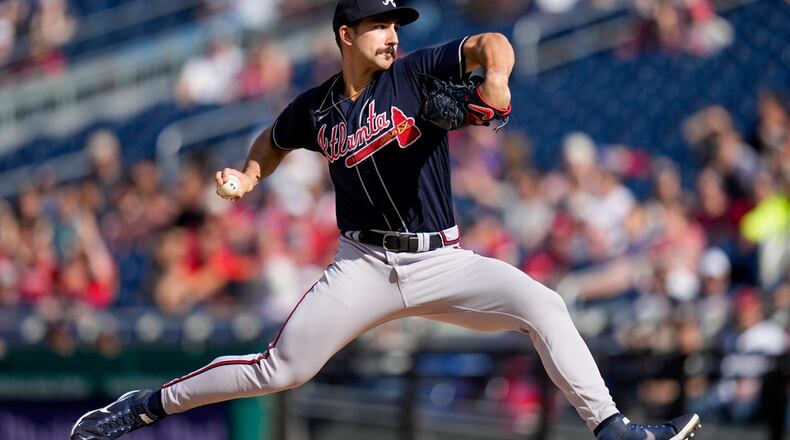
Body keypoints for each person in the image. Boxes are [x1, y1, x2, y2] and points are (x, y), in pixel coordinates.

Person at [70, 1, 703, 439]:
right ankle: (145, 406)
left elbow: (492, 44)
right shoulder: (317, 108)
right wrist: (247, 176)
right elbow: (273, 137)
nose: (392, 34)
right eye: (379, 25)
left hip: (441, 259)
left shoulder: (417, 73)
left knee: (544, 305)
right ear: (346, 33)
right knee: (281, 370)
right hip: (363, 266)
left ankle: (612, 428)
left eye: (396, 24)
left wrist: (498, 79)